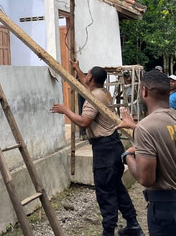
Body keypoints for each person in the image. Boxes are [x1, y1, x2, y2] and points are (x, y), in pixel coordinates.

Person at [51, 62, 144, 236]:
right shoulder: (103, 92)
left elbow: (83, 122)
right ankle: (133, 225)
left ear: (91, 78)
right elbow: (86, 86)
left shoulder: (93, 98)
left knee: (105, 193)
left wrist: (65, 110)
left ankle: (108, 231)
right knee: (116, 187)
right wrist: (78, 69)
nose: (85, 77)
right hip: (113, 146)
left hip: (104, 150)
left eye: (87, 74)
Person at [117, 70, 176, 236]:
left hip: (168, 210)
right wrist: (135, 127)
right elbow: (164, 137)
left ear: (145, 91)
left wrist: (127, 156)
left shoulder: (146, 127)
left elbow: (146, 179)